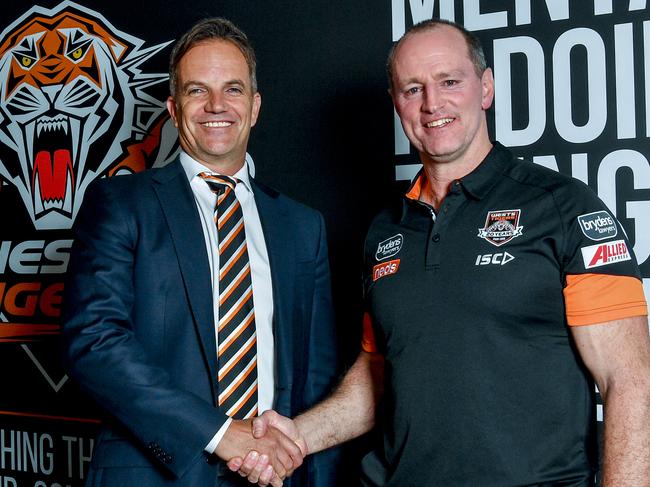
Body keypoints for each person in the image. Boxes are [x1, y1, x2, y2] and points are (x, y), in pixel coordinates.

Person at [231, 18, 650, 487]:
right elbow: (380, 375)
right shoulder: (385, 231)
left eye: (449, 81)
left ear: (485, 88)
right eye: (412, 89)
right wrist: (297, 437)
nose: (432, 103)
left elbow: (630, 381)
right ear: (397, 104)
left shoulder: (564, 209)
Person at [61, 17, 341, 487]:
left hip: (274, 477)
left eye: (233, 90)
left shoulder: (302, 226)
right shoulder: (121, 203)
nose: (216, 105)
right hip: (154, 476)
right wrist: (221, 434)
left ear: (254, 107)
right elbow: (94, 341)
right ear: (173, 109)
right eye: (197, 91)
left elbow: (317, 378)